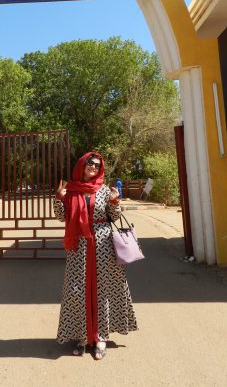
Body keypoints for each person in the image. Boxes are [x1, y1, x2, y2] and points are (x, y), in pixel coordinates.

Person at [54, 151, 138, 360]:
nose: (93, 167)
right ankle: (82, 337)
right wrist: (58, 199)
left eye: (97, 165)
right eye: (90, 163)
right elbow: (61, 217)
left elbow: (114, 217)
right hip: (79, 247)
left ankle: (100, 337)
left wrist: (114, 202)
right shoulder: (71, 190)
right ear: (82, 165)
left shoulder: (103, 190)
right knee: (77, 291)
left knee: (103, 291)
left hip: (103, 247)